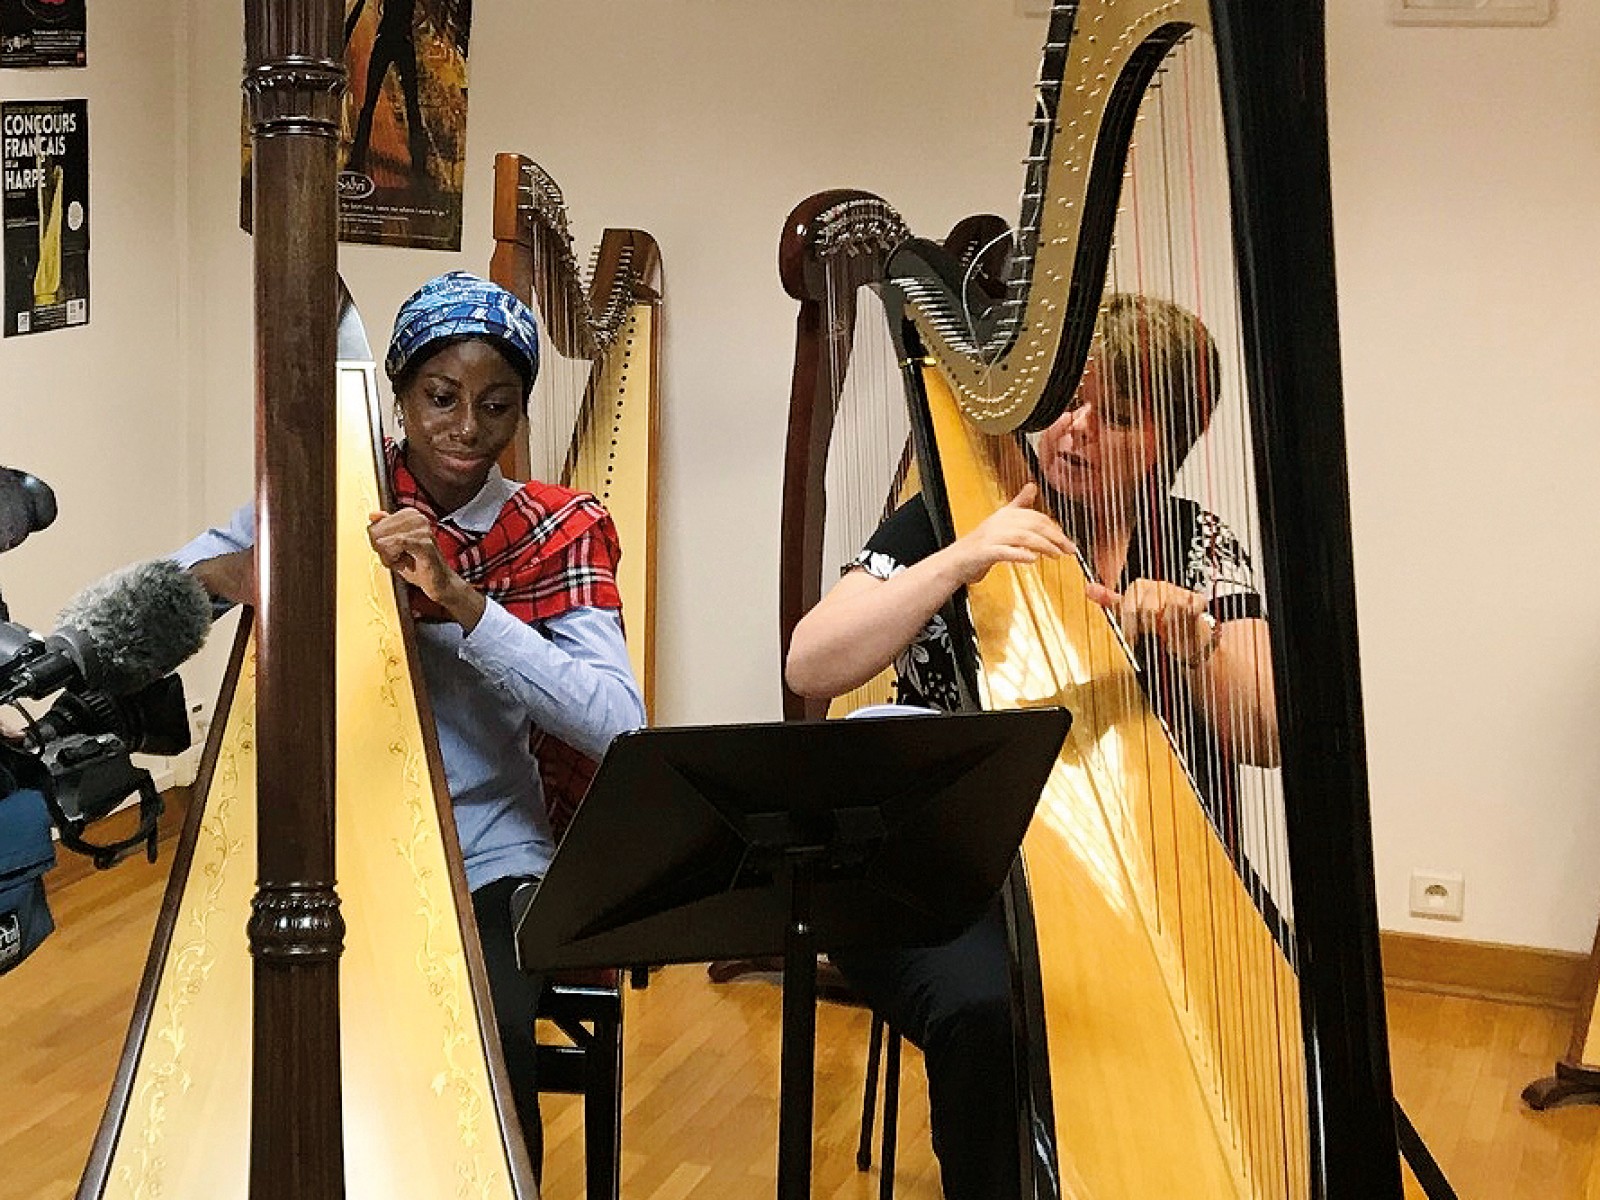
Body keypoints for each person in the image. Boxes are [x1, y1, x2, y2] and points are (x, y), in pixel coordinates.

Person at [784, 292, 1276, 1200]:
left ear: (1170, 441)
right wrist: (956, 561)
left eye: (1117, 416)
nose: (1075, 431)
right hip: (943, 877)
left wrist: (1196, 644)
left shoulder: (1194, 542)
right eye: (1065, 404)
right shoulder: (953, 515)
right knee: (986, 1008)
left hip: (1139, 881)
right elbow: (811, 662)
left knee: (1273, 1001)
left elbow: (1269, 732)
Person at [175, 270, 646, 1177]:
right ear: (396, 396)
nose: (466, 428)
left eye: (496, 405)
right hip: (328, 846)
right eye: (440, 398)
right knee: (239, 1019)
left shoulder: (559, 529)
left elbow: (617, 722)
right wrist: (262, 566)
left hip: (491, 853)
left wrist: (468, 605)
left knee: (488, 1032)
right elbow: (180, 578)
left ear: (520, 415)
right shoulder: (334, 488)